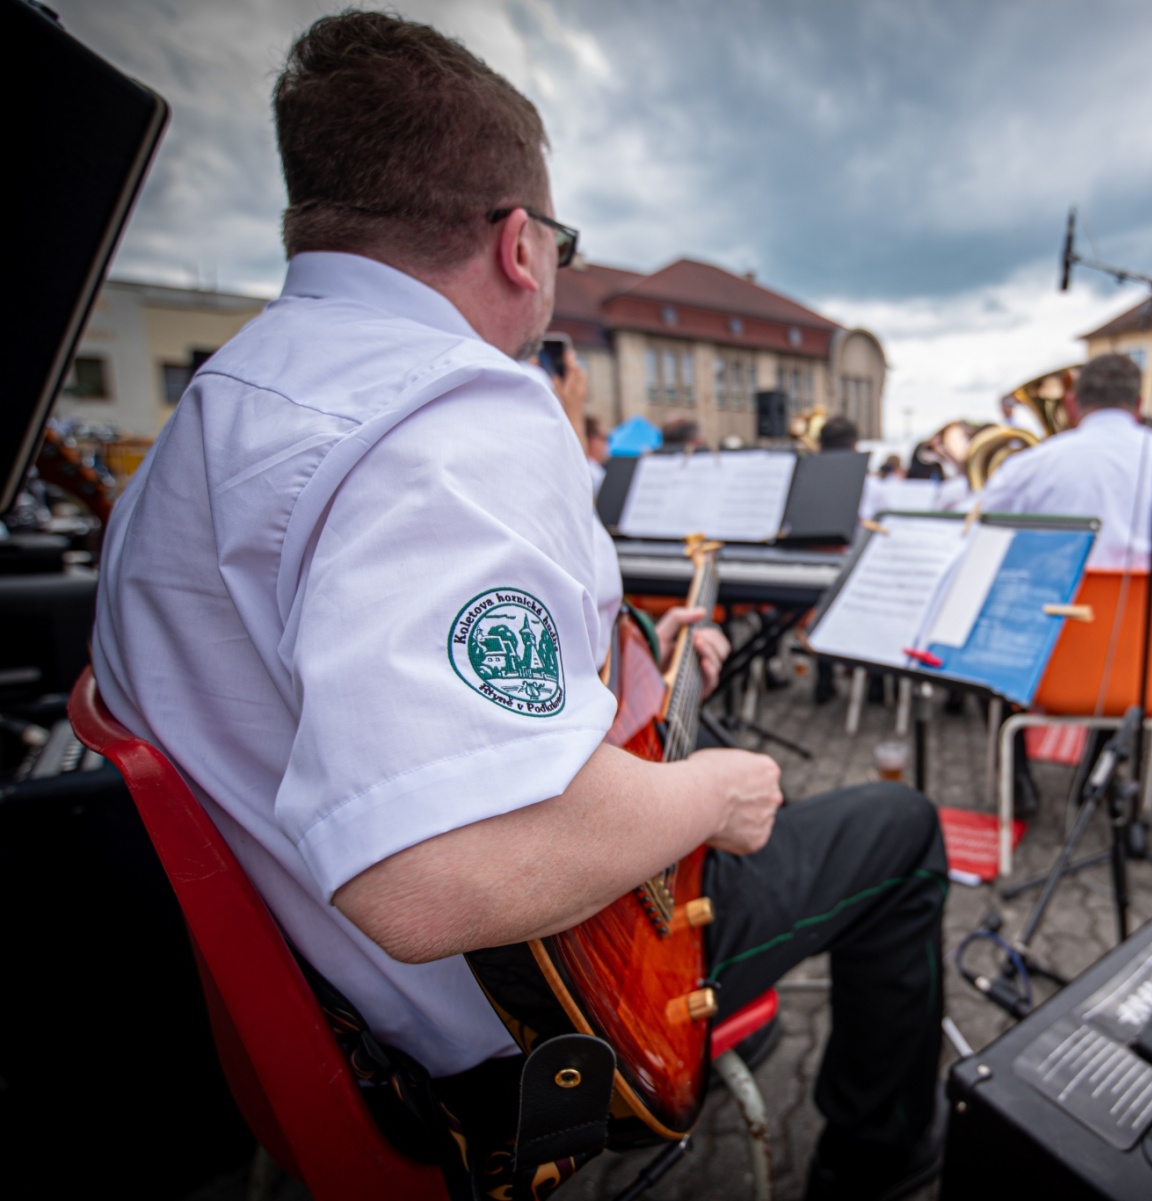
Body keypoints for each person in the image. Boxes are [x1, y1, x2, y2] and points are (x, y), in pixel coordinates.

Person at [89, 15, 946, 1201]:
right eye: (557, 241)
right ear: (519, 244)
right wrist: (713, 792)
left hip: (340, 1022)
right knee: (900, 832)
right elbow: (432, 869)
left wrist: (635, 666)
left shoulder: (203, 421)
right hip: (515, 1026)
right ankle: (878, 1175)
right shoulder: (448, 414)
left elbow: (395, 685)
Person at [975, 353, 1152, 634]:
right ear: (1139, 405)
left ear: (1072, 403)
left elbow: (983, 558)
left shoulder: (1026, 468)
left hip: (1056, 643)